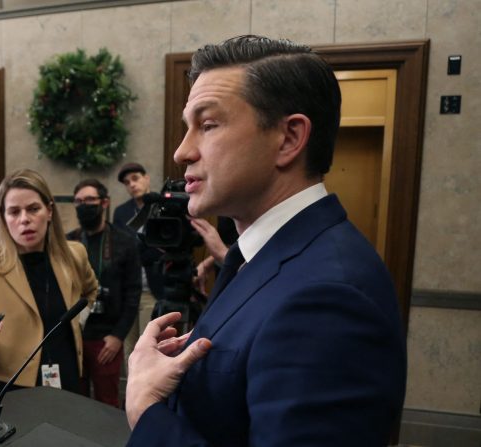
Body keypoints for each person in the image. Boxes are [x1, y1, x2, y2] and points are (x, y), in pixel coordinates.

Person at [125, 35, 406, 446]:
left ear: (289, 139)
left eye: (207, 125)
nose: (181, 152)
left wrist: (147, 410)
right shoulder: (254, 256)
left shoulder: (328, 297)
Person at [0, 169, 98, 399]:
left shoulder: (74, 254)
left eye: (33, 209)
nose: (24, 219)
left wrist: (77, 321)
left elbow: (91, 292)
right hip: (9, 386)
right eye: (14, 212)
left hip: (66, 376)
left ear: (49, 211)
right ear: (3, 218)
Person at [66, 179, 140, 407]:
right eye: (78, 201)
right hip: (74, 337)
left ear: (104, 203)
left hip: (107, 338)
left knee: (106, 402)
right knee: (72, 400)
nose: (83, 205)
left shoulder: (125, 241)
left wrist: (118, 336)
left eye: (89, 200)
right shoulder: (67, 242)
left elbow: (133, 293)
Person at [112, 163, 164, 363]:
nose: (132, 185)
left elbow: (163, 248)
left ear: (147, 178)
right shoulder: (122, 212)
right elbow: (120, 249)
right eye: (127, 183)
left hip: (152, 287)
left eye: (135, 178)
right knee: (128, 347)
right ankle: (130, 392)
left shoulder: (162, 205)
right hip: (127, 289)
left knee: (148, 345)